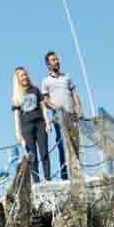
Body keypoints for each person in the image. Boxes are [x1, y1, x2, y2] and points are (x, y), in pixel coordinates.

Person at [41, 51, 83, 181]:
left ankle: (79, 172)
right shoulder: (46, 81)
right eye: (53, 60)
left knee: (76, 143)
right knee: (62, 145)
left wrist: (79, 109)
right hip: (59, 117)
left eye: (57, 59)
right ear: (48, 64)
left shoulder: (67, 77)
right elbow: (46, 101)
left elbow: (74, 94)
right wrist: (55, 107)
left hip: (71, 115)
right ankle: (65, 176)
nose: (57, 62)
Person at [11, 66, 51, 181]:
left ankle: (48, 178)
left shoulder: (35, 90)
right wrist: (18, 134)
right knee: (32, 156)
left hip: (40, 124)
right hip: (26, 128)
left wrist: (47, 122)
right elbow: (16, 116)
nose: (24, 77)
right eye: (21, 76)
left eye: (25, 74)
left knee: (44, 152)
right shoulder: (16, 96)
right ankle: (36, 181)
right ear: (18, 79)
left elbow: (43, 107)